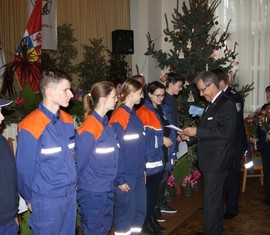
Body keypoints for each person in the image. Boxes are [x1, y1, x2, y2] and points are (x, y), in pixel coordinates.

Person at [16, 69, 77, 235]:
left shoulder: (67, 120)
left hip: (70, 196)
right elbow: (24, 170)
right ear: (49, 91)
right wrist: (29, 198)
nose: (71, 94)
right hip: (47, 200)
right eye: (66, 90)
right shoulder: (30, 125)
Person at [181, 71, 237, 235]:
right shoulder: (213, 103)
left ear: (212, 86)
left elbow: (225, 133)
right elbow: (209, 130)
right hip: (212, 160)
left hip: (217, 161)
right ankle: (216, 231)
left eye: (202, 89)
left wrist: (196, 130)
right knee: (214, 199)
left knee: (211, 201)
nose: (200, 93)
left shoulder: (226, 104)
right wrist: (188, 137)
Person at [76, 81, 119, 235]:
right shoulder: (89, 128)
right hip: (92, 191)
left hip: (106, 188)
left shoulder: (106, 125)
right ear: (103, 99)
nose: (116, 99)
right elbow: (80, 164)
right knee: (94, 230)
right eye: (114, 96)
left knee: (105, 227)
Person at [136, 81, 175, 234]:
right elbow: (142, 138)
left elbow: (166, 128)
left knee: (155, 192)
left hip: (162, 155)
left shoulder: (163, 109)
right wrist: (161, 141)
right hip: (150, 158)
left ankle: (152, 218)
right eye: (157, 95)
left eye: (163, 95)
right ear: (149, 94)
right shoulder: (143, 111)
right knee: (148, 193)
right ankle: (146, 222)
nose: (161, 98)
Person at [109, 78, 147, 234]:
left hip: (137, 172)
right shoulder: (119, 117)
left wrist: (143, 169)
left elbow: (139, 147)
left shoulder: (134, 116)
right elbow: (116, 152)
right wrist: (120, 179)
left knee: (139, 211)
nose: (142, 96)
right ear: (130, 93)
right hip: (126, 175)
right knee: (126, 214)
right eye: (140, 93)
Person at [212, 68, 248, 219]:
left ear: (221, 82)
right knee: (220, 177)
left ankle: (232, 208)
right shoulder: (218, 97)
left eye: (212, 83)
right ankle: (215, 205)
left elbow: (231, 124)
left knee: (232, 177)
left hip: (233, 145)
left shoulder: (234, 97)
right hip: (221, 144)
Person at [0, 98, 19, 235]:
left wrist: (14, 214)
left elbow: (11, 178)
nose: (2, 117)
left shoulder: (2, 142)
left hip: (9, 221)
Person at [255, 85, 270, 205]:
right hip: (266, 145)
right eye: (267, 93)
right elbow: (259, 126)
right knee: (267, 171)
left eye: (269, 93)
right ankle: (269, 197)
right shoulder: (265, 108)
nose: (268, 96)